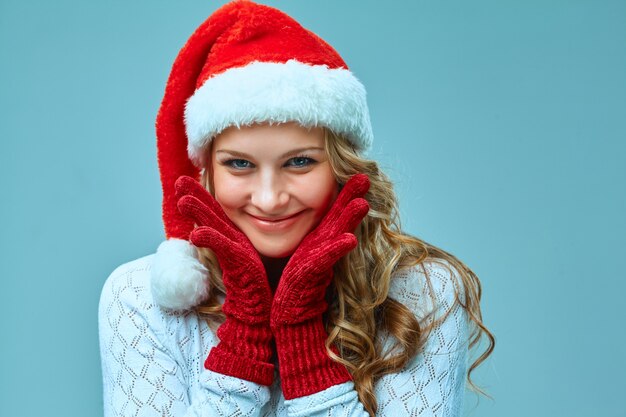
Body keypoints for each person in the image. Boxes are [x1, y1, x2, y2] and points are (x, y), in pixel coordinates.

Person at [98, 1, 494, 416]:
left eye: (300, 162)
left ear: (342, 167)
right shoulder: (138, 298)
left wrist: (304, 340)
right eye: (239, 164)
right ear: (207, 174)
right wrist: (245, 341)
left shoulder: (424, 293)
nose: (269, 199)